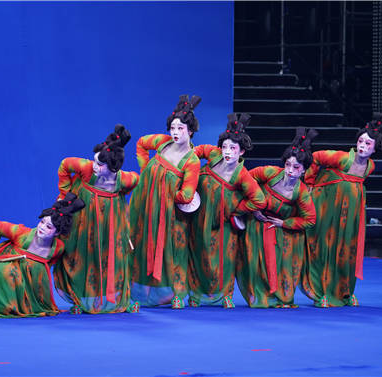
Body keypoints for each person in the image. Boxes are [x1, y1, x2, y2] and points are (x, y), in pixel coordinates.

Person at [301, 113, 382, 307]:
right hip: (326, 205)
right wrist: (309, 184)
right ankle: (321, 291)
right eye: (360, 141)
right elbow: (315, 158)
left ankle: (344, 291)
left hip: (349, 212)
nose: (362, 146)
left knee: (346, 247)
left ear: (376, 148)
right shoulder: (342, 158)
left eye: (368, 144)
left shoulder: (370, 167)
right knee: (323, 245)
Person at [53, 125, 139, 314]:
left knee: (111, 256)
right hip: (82, 219)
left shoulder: (125, 179)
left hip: (109, 223)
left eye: (100, 165)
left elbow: (135, 182)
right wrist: (64, 195)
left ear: (113, 167)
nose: (94, 166)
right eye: (95, 161)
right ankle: (78, 298)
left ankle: (115, 298)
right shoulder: (86, 168)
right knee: (81, 255)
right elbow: (64, 165)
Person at [129, 95, 202, 309]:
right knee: (142, 242)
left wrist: (168, 193)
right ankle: (139, 291)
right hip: (144, 203)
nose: (176, 133)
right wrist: (146, 174)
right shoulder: (163, 143)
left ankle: (175, 293)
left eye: (181, 129)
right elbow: (142, 144)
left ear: (190, 131)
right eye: (173, 128)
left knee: (172, 251)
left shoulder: (192, 160)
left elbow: (187, 194)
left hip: (169, 214)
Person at [188, 113, 266, 308]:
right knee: (198, 253)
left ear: (241, 152)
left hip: (223, 223)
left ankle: (225, 295)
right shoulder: (213, 156)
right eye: (225, 147)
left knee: (224, 258)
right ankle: (196, 294)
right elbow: (193, 153)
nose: (227, 152)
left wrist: (236, 209)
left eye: (233, 148)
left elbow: (259, 200)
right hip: (200, 215)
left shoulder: (242, 175)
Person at [236, 128, 317, 308]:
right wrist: (254, 206)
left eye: (296, 167)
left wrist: (284, 223)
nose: (290, 170)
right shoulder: (271, 173)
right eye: (287, 165)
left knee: (280, 264)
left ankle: (278, 296)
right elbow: (246, 178)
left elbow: (310, 219)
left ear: (303, 170)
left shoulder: (301, 192)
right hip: (256, 224)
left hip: (280, 230)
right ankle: (257, 296)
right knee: (254, 261)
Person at [0, 193, 85, 318]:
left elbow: (46, 266)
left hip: (27, 276)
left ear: (57, 232)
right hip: (6, 264)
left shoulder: (58, 248)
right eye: (42, 222)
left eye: (49, 227)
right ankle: (3, 306)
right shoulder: (22, 234)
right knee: (4, 272)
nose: (42, 227)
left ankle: (23, 301)